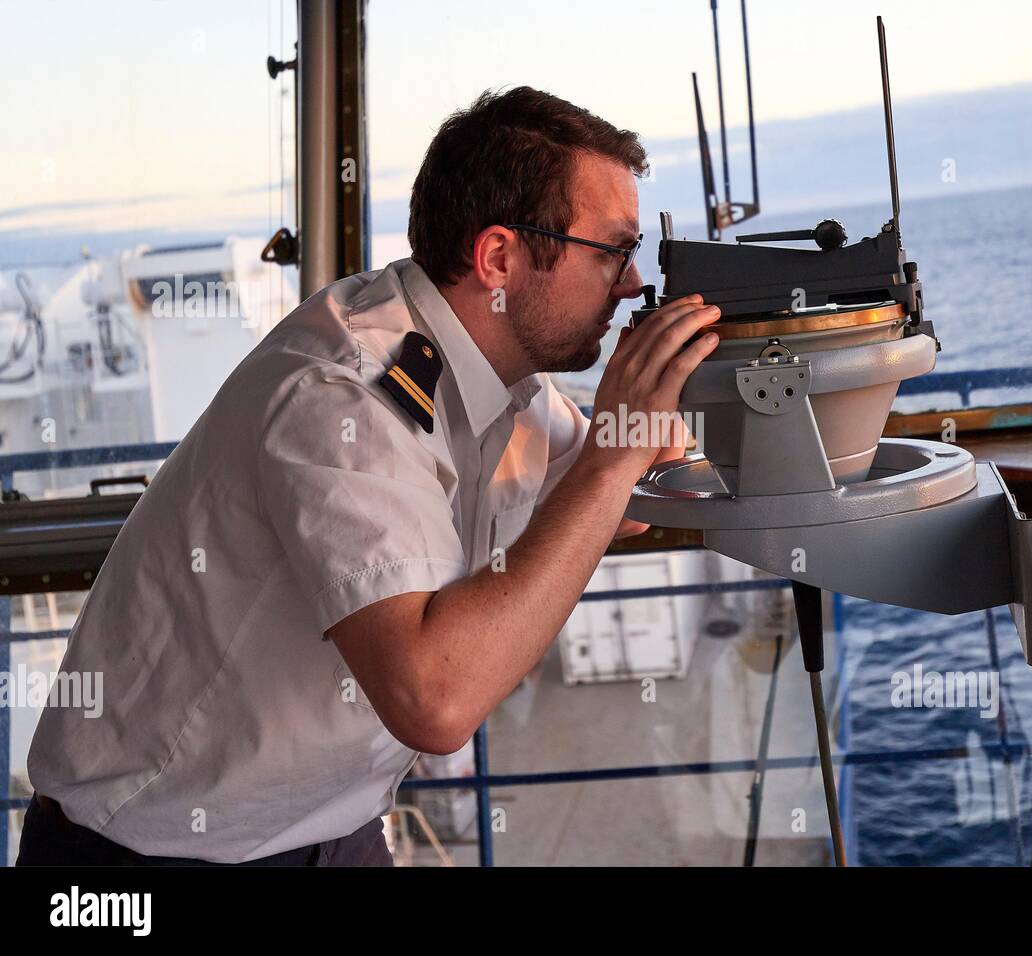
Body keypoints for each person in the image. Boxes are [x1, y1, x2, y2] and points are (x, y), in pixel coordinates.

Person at [19, 86, 720, 866]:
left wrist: (683, 390)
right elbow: (437, 700)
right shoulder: (343, 392)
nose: (630, 284)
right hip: (150, 851)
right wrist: (615, 454)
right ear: (498, 258)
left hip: (331, 829)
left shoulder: (501, 374)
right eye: (612, 252)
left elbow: (612, 498)